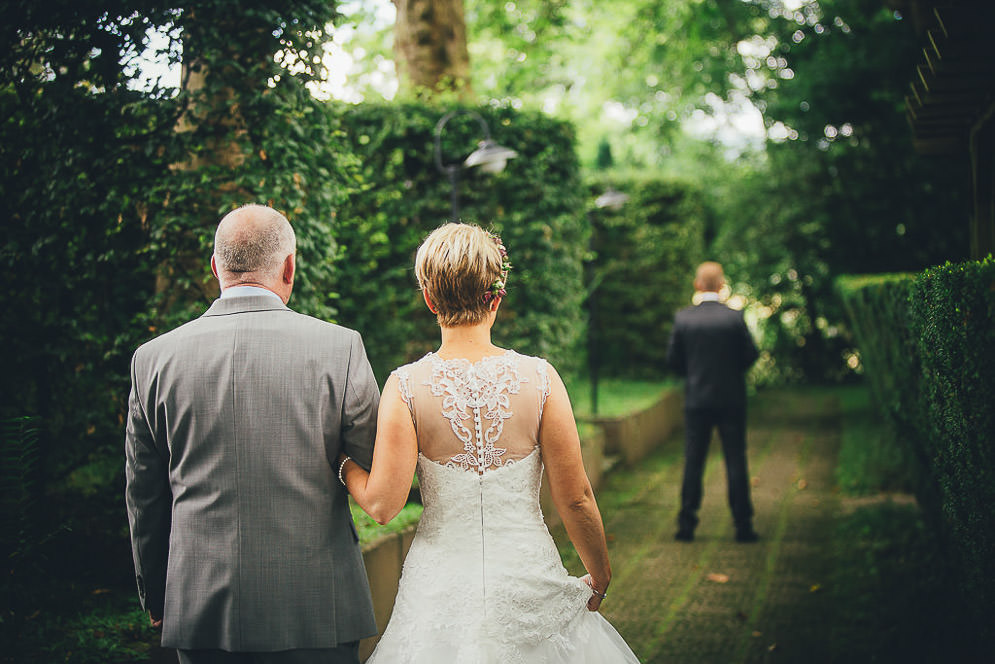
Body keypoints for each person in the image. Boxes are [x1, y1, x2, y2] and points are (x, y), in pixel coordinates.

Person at [338, 223, 639, 663]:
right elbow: (575, 498)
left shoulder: (405, 386)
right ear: (496, 297)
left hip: (439, 591)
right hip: (527, 578)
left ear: (428, 298)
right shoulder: (540, 380)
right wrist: (599, 571)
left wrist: (344, 465)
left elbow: (383, 506)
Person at [125, 204, 380, 664]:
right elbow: (374, 467)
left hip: (201, 610)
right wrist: (338, 461)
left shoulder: (152, 360)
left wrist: (157, 597)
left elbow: (144, 496)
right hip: (318, 608)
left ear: (216, 268)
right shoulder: (340, 348)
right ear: (289, 266)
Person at [666, 261, 760, 543]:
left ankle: (686, 525)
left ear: (697, 285)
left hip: (697, 400)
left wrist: (693, 374)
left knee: (693, 460)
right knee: (736, 460)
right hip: (732, 399)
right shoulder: (734, 318)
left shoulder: (684, 319)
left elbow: (673, 361)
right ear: (721, 285)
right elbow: (751, 355)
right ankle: (743, 525)